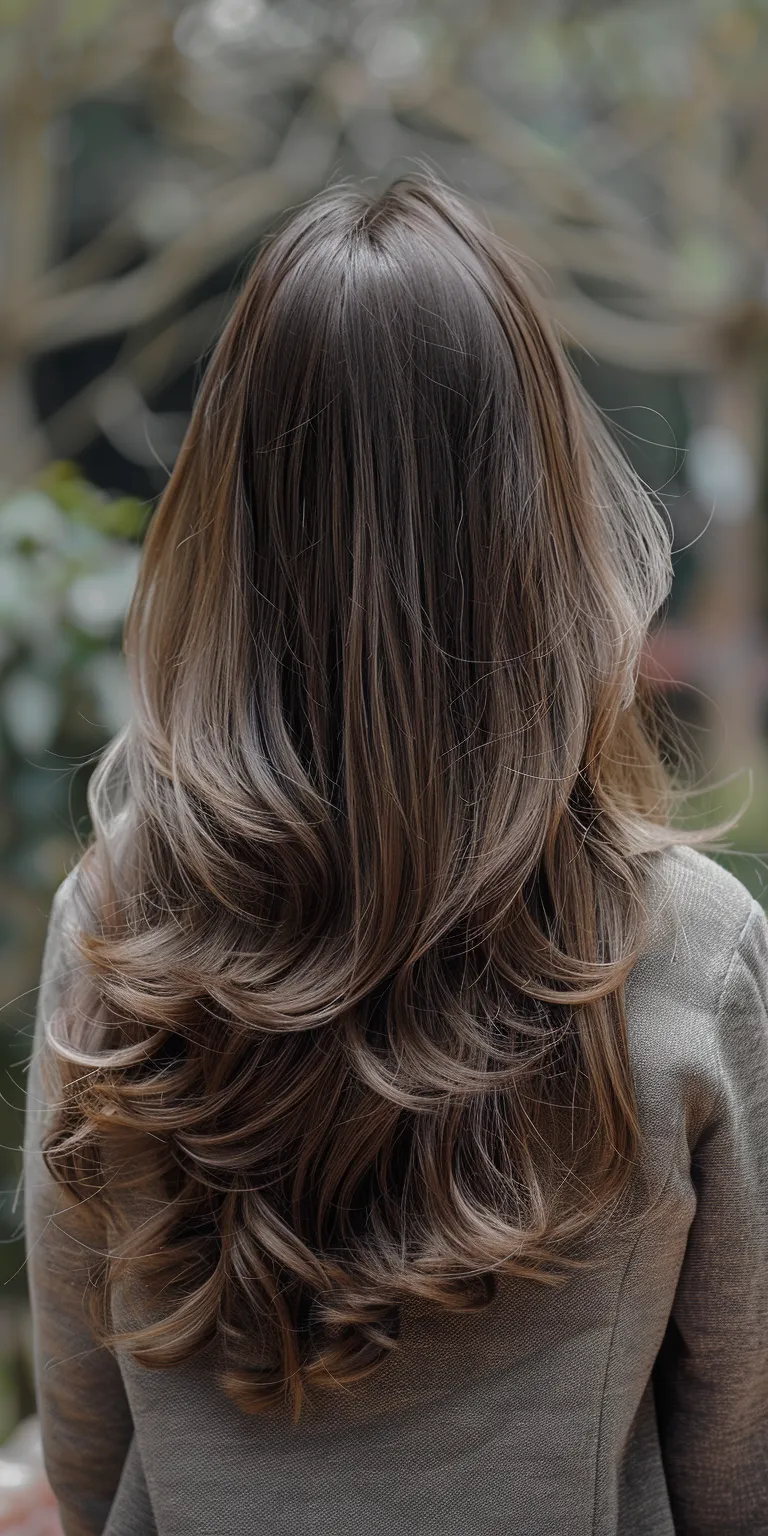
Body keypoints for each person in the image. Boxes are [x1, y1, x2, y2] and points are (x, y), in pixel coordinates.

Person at [23, 174, 768, 1536]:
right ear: (539, 516)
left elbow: (84, 1446)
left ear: (233, 523)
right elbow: (741, 1466)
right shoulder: (689, 943)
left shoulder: (114, 919)